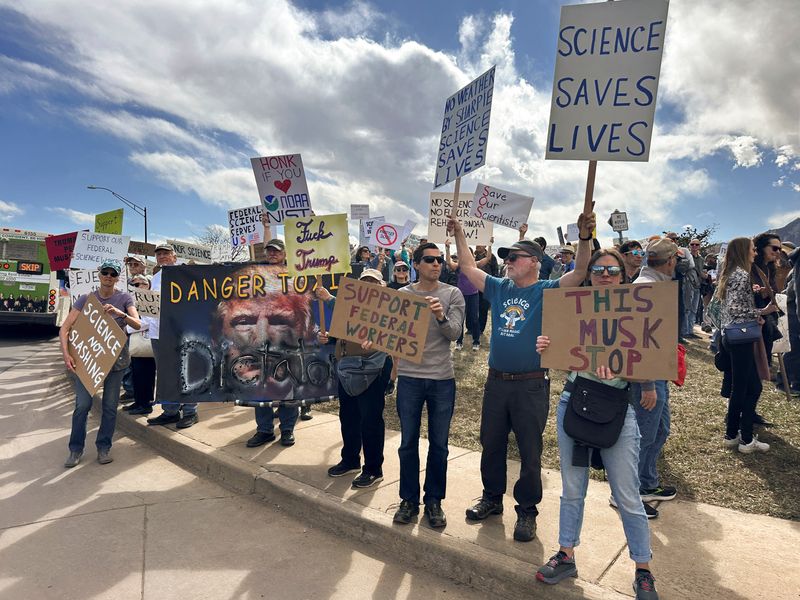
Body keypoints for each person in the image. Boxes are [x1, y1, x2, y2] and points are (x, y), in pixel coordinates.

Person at [451, 209, 596, 542]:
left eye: (514, 257)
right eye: (507, 258)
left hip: (531, 384)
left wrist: (585, 239)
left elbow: (581, 271)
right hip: (496, 382)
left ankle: (527, 511)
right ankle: (491, 498)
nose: (508, 262)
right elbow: (468, 267)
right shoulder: (500, 287)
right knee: (491, 443)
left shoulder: (547, 289)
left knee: (530, 450)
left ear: (534, 261)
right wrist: (460, 233)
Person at [535, 248, 661, 600]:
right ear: (589, 275)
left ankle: (643, 570)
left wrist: (638, 377)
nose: (605, 275)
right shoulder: (573, 309)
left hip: (617, 409)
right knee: (572, 489)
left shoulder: (637, 310)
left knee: (627, 495)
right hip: (574, 402)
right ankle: (566, 554)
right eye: (599, 269)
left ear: (623, 276)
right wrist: (546, 345)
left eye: (612, 270)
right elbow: (558, 354)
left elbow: (648, 353)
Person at [392, 243, 465, 529]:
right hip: (410, 378)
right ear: (416, 264)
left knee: (439, 444)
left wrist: (440, 316)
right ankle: (409, 500)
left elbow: (455, 333)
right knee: (408, 443)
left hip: (441, 380)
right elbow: (391, 335)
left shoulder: (452, 294)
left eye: (439, 260)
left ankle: (434, 500)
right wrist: (373, 340)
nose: (437, 264)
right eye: (429, 260)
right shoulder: (402, 295)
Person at [316, 269, 394, 488]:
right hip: (347, 369)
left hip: (373, 371)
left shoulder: (389, 311)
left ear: (383, 286)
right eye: (365, 282)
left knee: (371, 421)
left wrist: (329, 298)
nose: (369, 286)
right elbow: (343, 331)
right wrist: (327, 338)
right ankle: (350, 460)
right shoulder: (350, 309)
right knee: (348, 417)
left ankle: (373, 468)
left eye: (374, 282)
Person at [60, 260, 141, 467]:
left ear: (117, 278)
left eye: (112, 274)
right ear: (99, 274)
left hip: (116, 361)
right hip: (88, 361)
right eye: (105, 272)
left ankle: (104, 447)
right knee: (82, 405)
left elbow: (138, 323)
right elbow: (65, 328)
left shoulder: (124, 298)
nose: (108, 276)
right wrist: (66, 353)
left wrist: (120, 313)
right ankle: (75, 449)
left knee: (110, 407)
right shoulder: (87, 298)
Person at [629, 238, 678, 503]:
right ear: (670, 261)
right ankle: (630, 492)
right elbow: (637, 340)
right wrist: (647, 382)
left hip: (657, 371)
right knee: (644, 435)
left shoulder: (656, 285)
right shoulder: (646, 287)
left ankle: (647, 483)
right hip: (647, 376)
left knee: (659, 430)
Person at [245, 238, 305, 446]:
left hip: (288, 336)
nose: (272, 254)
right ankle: (264, 430)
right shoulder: (255, 274)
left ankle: (287, 429)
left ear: (285, 253)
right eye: (269, 251)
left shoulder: (296, 274)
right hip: (261, 336)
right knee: (261, 384)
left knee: (287, 383)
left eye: (276, 251)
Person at [717, 237, 772, 453]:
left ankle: (733, 435)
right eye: (752, 249)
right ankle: (745, 439)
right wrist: (761, 312)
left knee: (742, 387)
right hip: (741, 337)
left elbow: (727, 309)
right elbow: (736, 309)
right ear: (743, 251)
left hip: (731, 336)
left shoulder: (730, 274)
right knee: (748, 388)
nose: (755, 253)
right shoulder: (740, 275)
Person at [147, 243, 199, 429]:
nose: (162, 256)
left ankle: (190, 411)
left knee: (185, 371)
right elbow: (150, 305)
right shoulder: (155, 277)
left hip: (180, 332)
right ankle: (170, 411)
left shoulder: (184, 274)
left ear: (174, 257)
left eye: (166, 253)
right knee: (165, 373)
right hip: (158, 332)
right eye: (159, 254)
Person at [445, 242, 491, 351]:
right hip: (461, 296)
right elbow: (448, 262)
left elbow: (488, 258)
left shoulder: (475, 265)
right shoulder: (458, 266)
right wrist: (447, 248)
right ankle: (459, 341)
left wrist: (490, 244)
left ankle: (476, 341)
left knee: (474, 318)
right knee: (460, 319)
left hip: (473, 295)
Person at [124, 274, 157, 416]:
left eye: (141, 284)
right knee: (136, 374)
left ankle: (145, 404)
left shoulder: (152, 299)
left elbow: (149, 322)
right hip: (137, 343)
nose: (138, 287)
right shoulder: (133, 301)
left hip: (148, 342)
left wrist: (128, 328)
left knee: (146, 375)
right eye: (135, 285)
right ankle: (138, 401)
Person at [475, 242, 500, 335]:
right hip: (473, 286)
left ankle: (481, 328)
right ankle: (470, 328)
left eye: (480, 244)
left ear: (485, 245)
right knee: (473, 308)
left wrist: (493, 285)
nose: (478, 245)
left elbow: (495, 271)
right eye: (477, 243)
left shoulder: (491, 257)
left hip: (486, 286)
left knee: (483, 308)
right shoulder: (472, 257)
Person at [681, 238, 704, 338]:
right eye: (692, 244)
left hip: (697, 285)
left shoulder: (701, 259)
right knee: (687, 308)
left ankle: (691, 331)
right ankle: (685, 331)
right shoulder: (686, 256)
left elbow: (700, 272)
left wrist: (704, 275)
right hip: (687, 284)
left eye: (696, 245)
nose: (694, 246)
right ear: (689, 245)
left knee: (694, 309)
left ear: (699, 246)